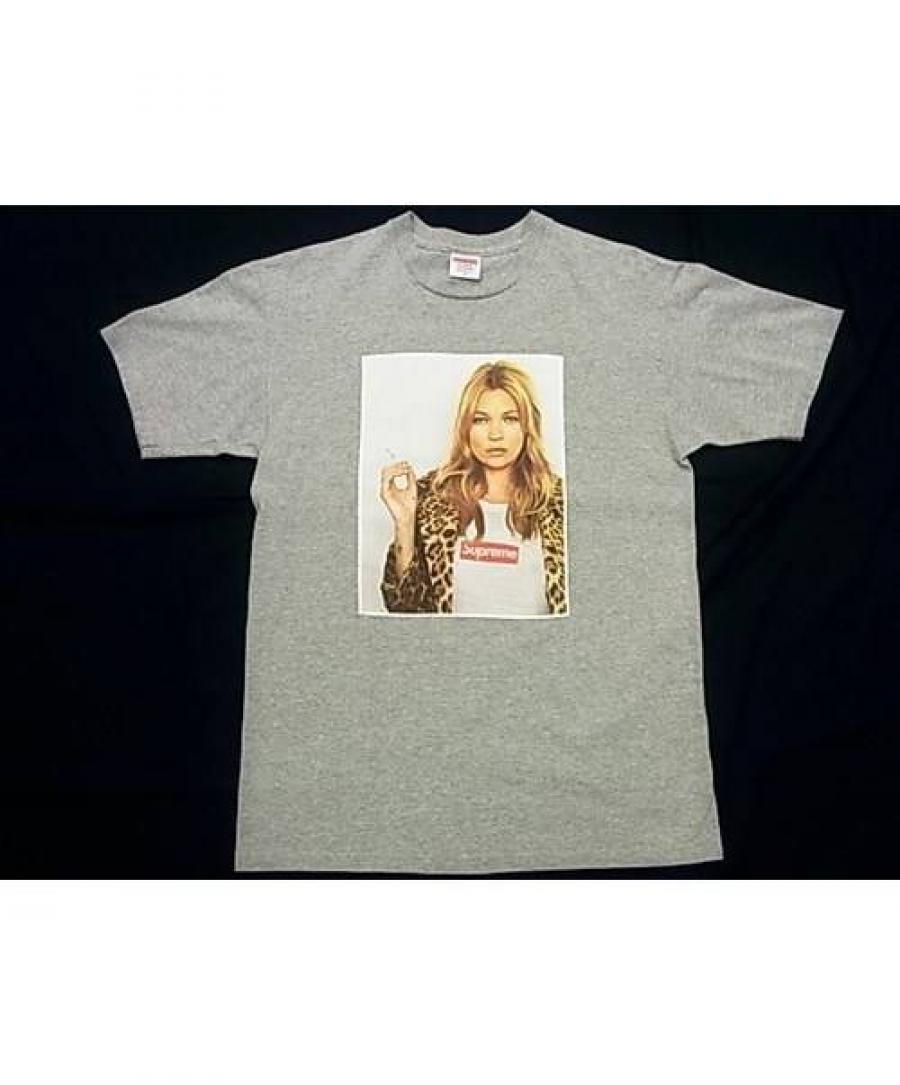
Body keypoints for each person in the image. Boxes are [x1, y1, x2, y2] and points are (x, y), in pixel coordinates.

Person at [378, 359, 567, 616]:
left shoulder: (558, 502)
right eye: (480, 420)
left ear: (528, 427)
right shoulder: (433, 497)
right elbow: (404, 609)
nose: (495, 434)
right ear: (466, 428)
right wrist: (405, 523)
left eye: (510, 419)